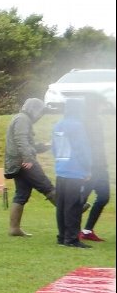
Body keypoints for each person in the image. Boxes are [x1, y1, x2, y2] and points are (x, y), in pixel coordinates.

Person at [4, 98, 56, 237]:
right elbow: (21, 140)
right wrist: (28, 158)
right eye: (40, 112)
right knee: (47, 187)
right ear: (33, 109)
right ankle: (73, 210)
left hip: (18, 163)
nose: (40, 116)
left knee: (22, 195)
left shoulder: (21, 119)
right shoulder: (23, 120)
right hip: (24, 162)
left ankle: (14, 228)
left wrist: (45, 146)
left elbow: (27, 144)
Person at [51, 95, 92, 249]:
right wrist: (87, 168)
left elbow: (54, 148)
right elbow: (82, 149)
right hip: (75, 171)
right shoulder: (78, 126)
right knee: (73, 206)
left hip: (61, 170)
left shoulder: (58, 125)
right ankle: (72, 239)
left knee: (61, 205)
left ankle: (62, 236)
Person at [78, 93, 109, 242]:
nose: (103, 107)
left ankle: (87, 230)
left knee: (103, 197)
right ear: (94, 105)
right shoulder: (84, 122)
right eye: (102, 104)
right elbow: (85, 147)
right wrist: (86, 166)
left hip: (101, 166)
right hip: (89, 167)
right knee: (81, 199)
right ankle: (72, 230)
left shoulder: (97, 121)